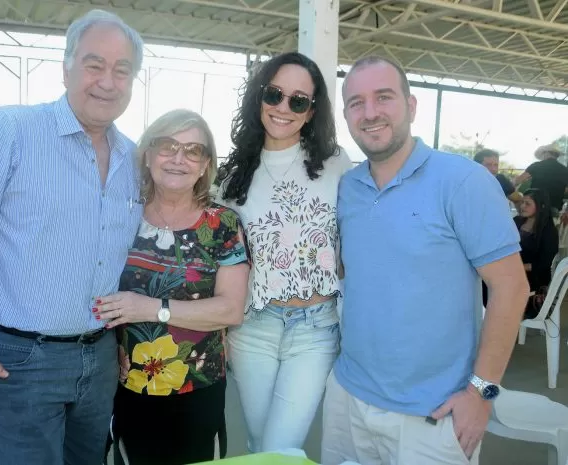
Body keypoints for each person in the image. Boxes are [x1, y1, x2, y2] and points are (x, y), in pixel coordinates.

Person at [0, 10, 144, 465]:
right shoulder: (8, 133)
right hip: (21, 361)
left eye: (122, 70)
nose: (107, 82)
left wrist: (117, 343)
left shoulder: (133, 160)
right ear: (66, 67)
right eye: (94, 65)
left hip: (99, 360)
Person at [322, 56, 529, 465]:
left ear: (411, 106)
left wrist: (482, 393)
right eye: (356, 103)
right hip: (348, 397)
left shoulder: (463, 182)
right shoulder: (347, 187)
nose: (370, 113)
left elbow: (511, 288)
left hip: (433, 416)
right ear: (345, 114)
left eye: (384, 97)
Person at [81, 109, 250, 465]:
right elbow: (76, 265)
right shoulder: (121, 214)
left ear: (205, 164)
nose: (178, 158)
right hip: (124, 384)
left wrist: (151, 307)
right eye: (167, 146)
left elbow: (230, 309)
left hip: (197, 386)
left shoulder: (222, 224)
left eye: (192, 150)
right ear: (147, 153)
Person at [216, 51, 352, 453]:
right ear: (259, 97)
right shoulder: (230, 176)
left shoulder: (336, 163)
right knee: (263, 445)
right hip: (251, 326)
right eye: (274, 95)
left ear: (311, 111)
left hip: (315, 328)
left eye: (298, 101)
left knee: (279, 447)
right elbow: (218, 262)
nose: (283, 108)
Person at [514, 189, 559, 319]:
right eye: (522, 202)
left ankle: (507, 326)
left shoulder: (548, 230)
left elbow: (544, 263)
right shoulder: (517, 221)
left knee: (503, 286)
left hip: (534, 277)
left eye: (527, 203)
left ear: (541, 206)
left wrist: (520, 268)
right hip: (515, 270)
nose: (522, 206)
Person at [515, 144, 568, 213]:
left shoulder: (536, 166)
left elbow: (518, 180)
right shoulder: (564, 170)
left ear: (546, 153)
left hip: (534, 207)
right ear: (556, 156)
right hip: (553, 208)